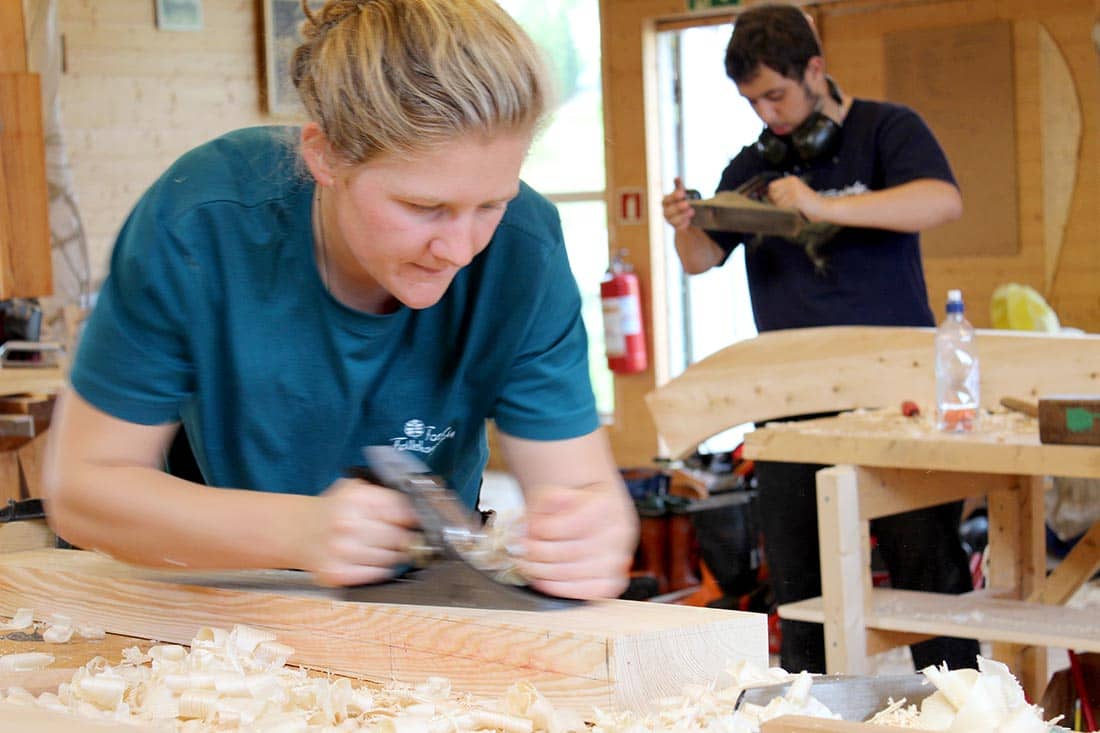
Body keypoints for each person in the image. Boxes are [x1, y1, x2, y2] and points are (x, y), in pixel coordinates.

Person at [43, 0, 637, 602]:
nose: (460, 249)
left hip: (422, 607)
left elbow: (580, 486)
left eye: (490, 204)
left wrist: (590, 533)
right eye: (423, 207)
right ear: (324, 154)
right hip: (211, 599)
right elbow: (83, 491)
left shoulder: (522, 252)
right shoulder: (198, 225)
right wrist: (300, 531)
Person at [661, 3, 980, 672]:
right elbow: (699, 259)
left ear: (815, 68)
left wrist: (823, 205)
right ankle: (811, 708)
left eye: (776, 94)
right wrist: (684, 222)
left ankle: (964, 705)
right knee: (801, 587)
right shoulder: (753, 162)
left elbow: (941, 200)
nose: (767, 114)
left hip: (895, 393)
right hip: (788, 399)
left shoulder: (887, 129)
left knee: (925, 569)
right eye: (753, 101)